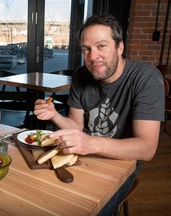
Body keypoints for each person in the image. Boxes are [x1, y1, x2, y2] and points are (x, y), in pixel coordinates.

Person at [34, 14, 165, 215]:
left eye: (101, 46)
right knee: (43, 197)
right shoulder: (80, 75)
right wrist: (54, 115)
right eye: (86, 49)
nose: (93, 56)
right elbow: (76, 126)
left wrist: (90, 143)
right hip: (82, 156)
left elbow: (147, 148)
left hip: (121, 164)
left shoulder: (145, 78)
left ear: (120, 47)